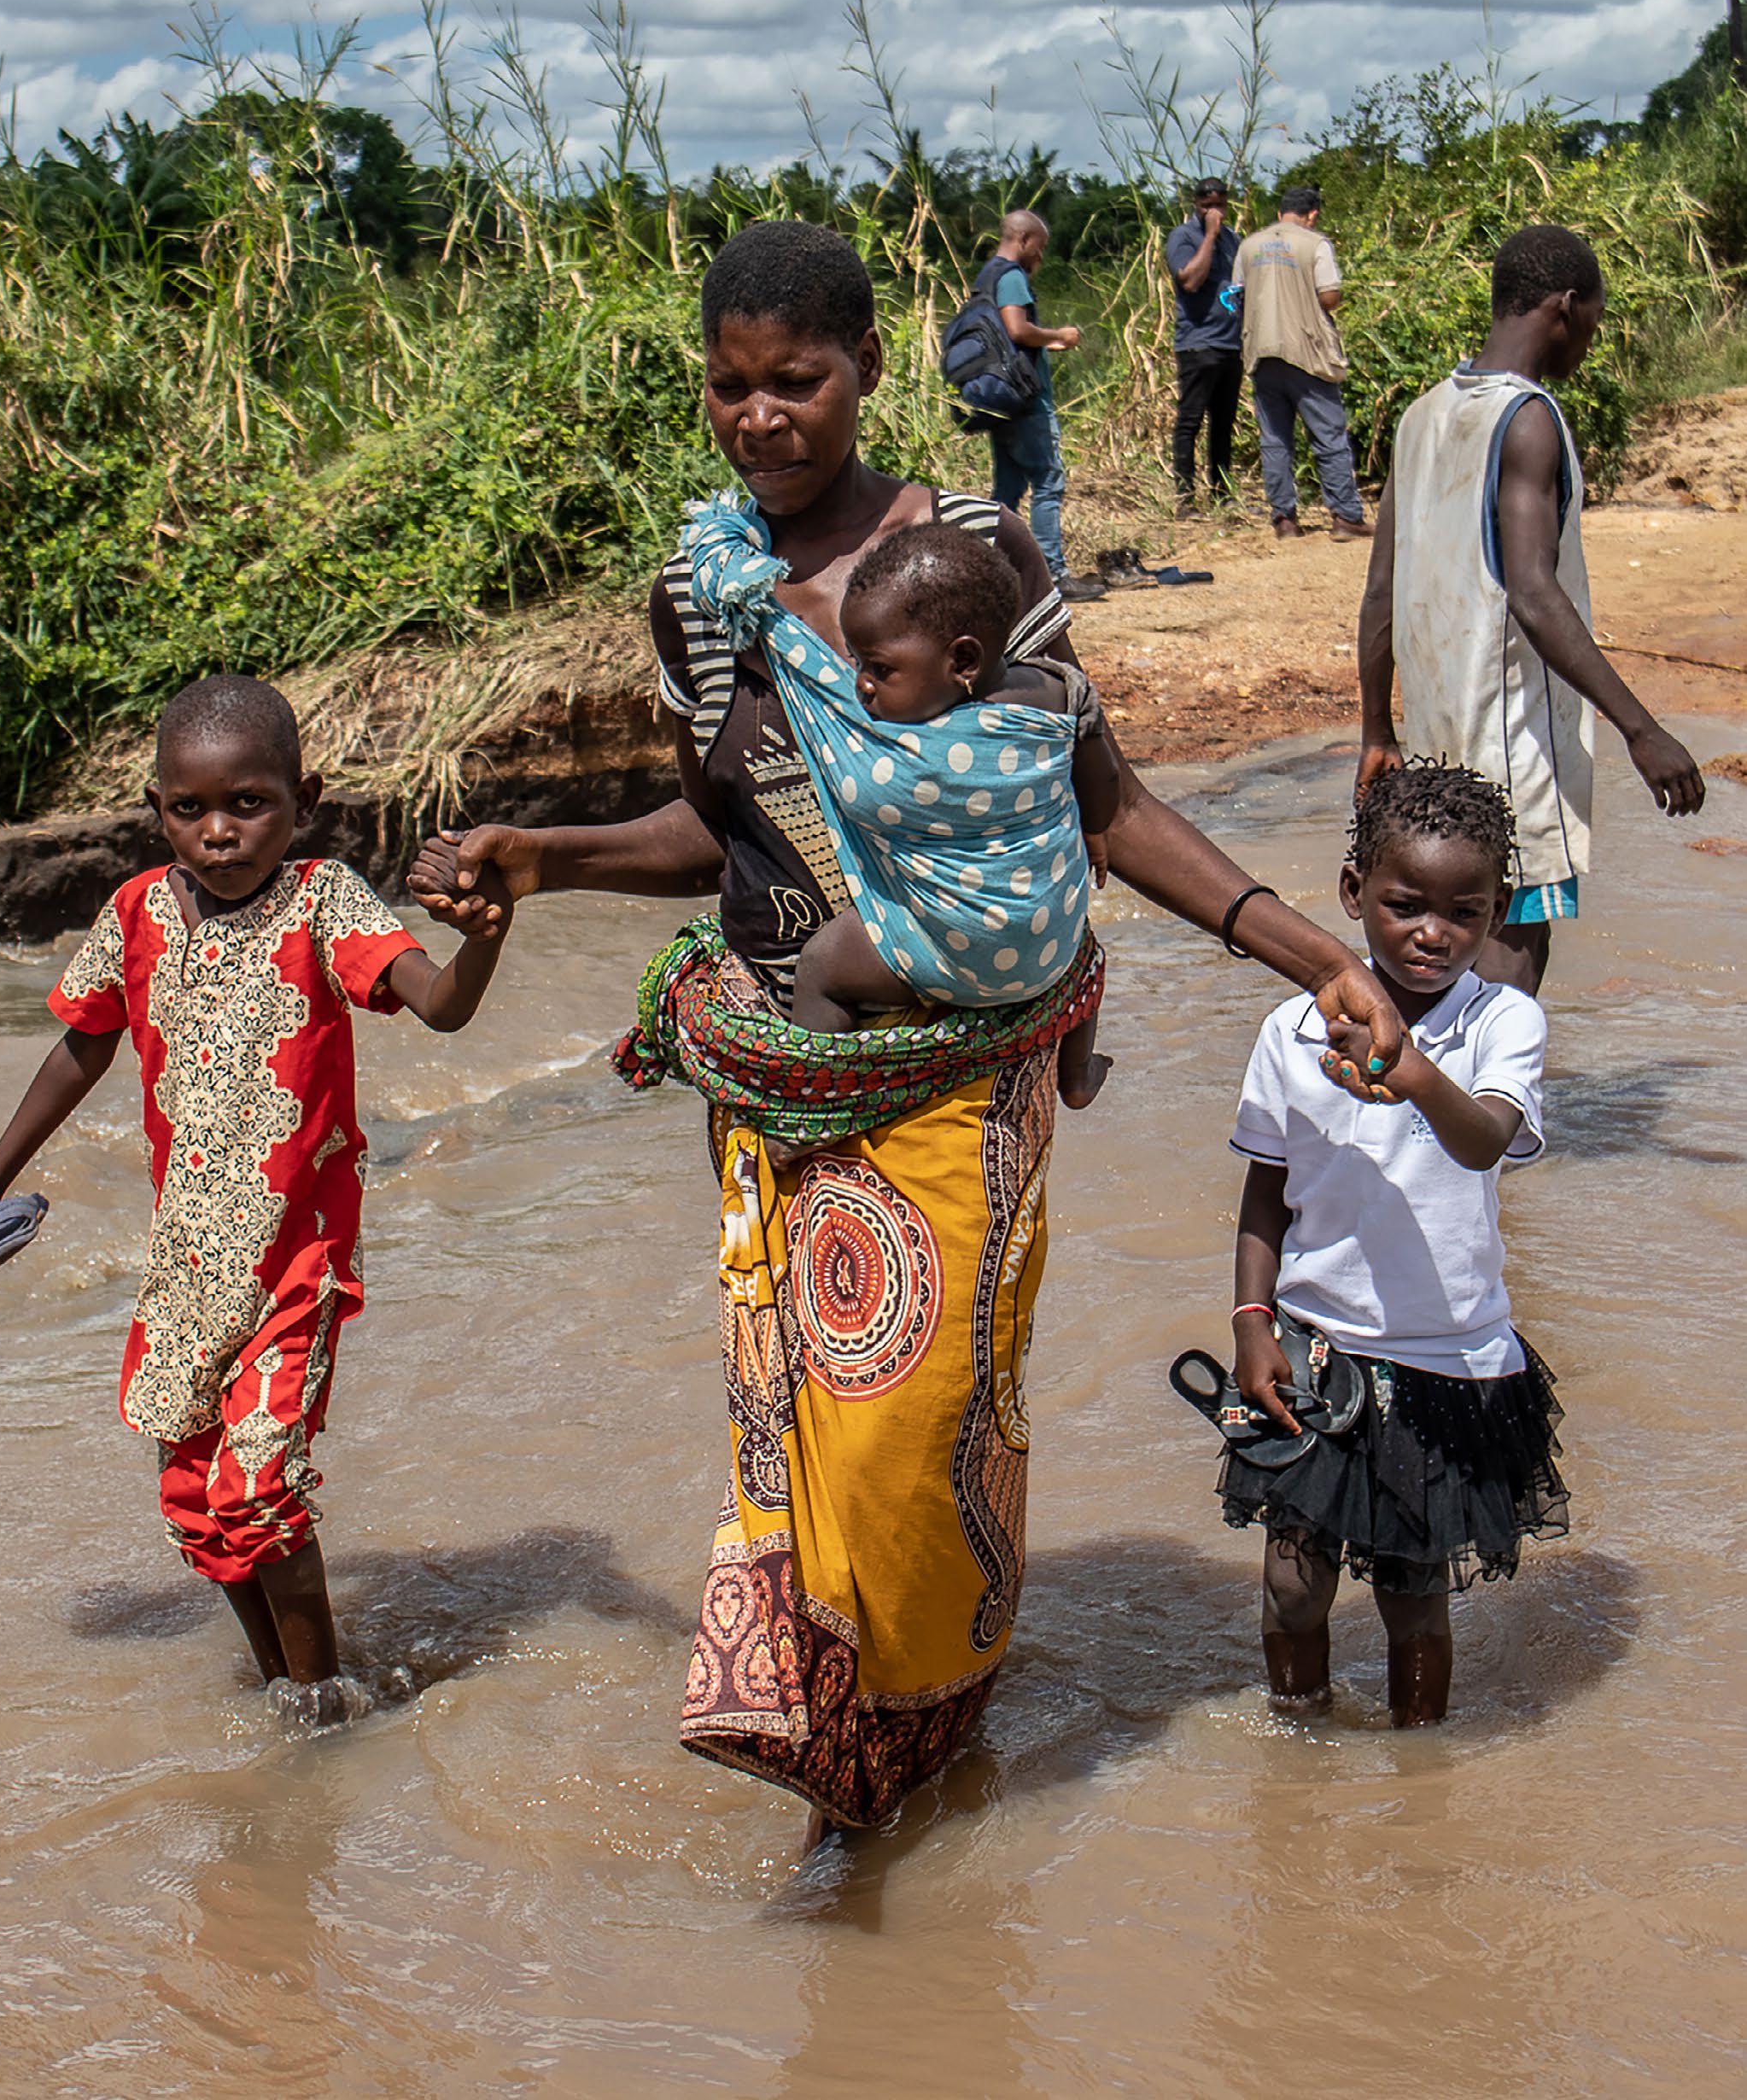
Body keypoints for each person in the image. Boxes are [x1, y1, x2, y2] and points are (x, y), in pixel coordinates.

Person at [411, 219, 1401, 1850]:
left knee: (922, 1416)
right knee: (805, 1426)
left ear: (870, 368)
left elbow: (1095, 805)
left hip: (955, 1063)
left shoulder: (967, 559)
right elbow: (715, 825)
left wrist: (1306, 956)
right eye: (729, 388)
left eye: (794, 381)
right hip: (775, 1066)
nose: (760, 417)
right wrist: (552, 854)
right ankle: (856, 1761)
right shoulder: (702, 590)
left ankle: (936, 1699)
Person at [0, 674, 509, 1721]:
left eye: (249, 803)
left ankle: (326, 1699)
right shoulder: (137, 913)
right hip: (189, 1265)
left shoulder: (326, 903)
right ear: (158, 810)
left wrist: (485, 936)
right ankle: (280, 1682)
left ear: (305, 799)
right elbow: (79, 1050)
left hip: (297, 1260)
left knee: (262, 1490)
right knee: (199, 1508)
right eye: (189, 808)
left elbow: (442, 1007)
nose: (219, 831)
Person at [1218, 761, 1568, 1727]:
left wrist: (1411, 1072)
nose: (1432, 932)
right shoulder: (1293, 1029)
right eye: (1405, 903)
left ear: (1498, 914)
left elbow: (1484, 1138)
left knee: (1415, 1600)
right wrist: (1252, 1324)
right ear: (1352, 894)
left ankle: (1422, 1780)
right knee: (1292, 1590)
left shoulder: (1504, 1020)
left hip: (1443, 1364)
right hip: (1315, 1352)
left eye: (1466, 911)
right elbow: (1266, 1193)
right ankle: (1298, 1759)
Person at [1356, 223, 1706, 995]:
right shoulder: (1528, 419)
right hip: (1509, 738)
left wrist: (1378, 731)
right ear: (1565, 305)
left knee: (1440, 941)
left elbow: (1380, 591)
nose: (1589, 340)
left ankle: (1416, 1103)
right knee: (1511, 941)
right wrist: (1641, 731)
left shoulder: (1422, 416)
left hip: (1435, 736)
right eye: (1593, 321)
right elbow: (1533, 593)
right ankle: (1490, 1114)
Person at [773, 520, 1107, 1110]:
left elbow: (854, 788)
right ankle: (1077, 1076)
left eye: (878, 668)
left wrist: (783, 644)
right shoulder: (1058, 694)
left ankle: (807, 1111)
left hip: (960, 958)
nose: (860, 688)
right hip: (1049, 955)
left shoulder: (912, 758)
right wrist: (1097, 828)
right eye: (855, 665)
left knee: (822, 965)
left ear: (963, 661)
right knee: (1083, 943)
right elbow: (1099, 772)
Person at [976, 209, 1105, 603]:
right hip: (1027, 402)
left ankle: (995, 572)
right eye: (1040, 248)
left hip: (1000, 398)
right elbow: (1016, 328)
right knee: (1048, 482)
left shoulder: (987, 276)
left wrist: (1040, 340)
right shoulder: (1012, 276)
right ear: (1025, 240)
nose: (1041, 258)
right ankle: (1053, 573)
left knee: (1008, 491)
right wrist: (1058, 334)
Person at [1232, 184, 1369, 540]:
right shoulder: (1315, 244)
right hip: (1307, 351)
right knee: (1328, 436)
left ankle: (1284, 520)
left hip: (1262, 350)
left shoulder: (1249, 246)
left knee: (1275, 439)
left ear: (1280, 214)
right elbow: (1329, 295)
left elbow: (1235, 294)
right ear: (1312, 215)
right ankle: (1345, 517)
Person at [1165, 177, 1243, 513]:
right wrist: (1210, 234)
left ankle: (1222, 494)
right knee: (1190, 421)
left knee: (1223, 423)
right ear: (1195, 204)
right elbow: (1191, 280)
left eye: (1220, 204)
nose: (1214, 211)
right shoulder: (1184, 237)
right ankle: (1185, 497)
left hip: (1230, 343)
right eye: (1207, 205)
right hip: (1198, 343)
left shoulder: (1234, 240)